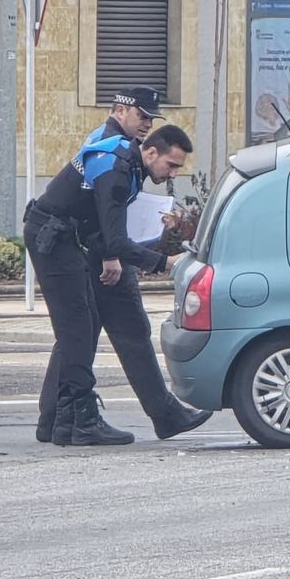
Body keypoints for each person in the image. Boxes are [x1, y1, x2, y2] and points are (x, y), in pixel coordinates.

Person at [24, 89, 210, 446]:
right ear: (120, 110)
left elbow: (99, 210)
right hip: (63, 239)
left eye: (150, 119)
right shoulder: (116, 156)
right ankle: (77, 420)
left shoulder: (119, 149)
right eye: (142, 116)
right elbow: (105, 219)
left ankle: (60, 419)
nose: (145, 124)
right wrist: (159, 262)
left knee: (84, 328)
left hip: (75, 240)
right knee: (82, 328)